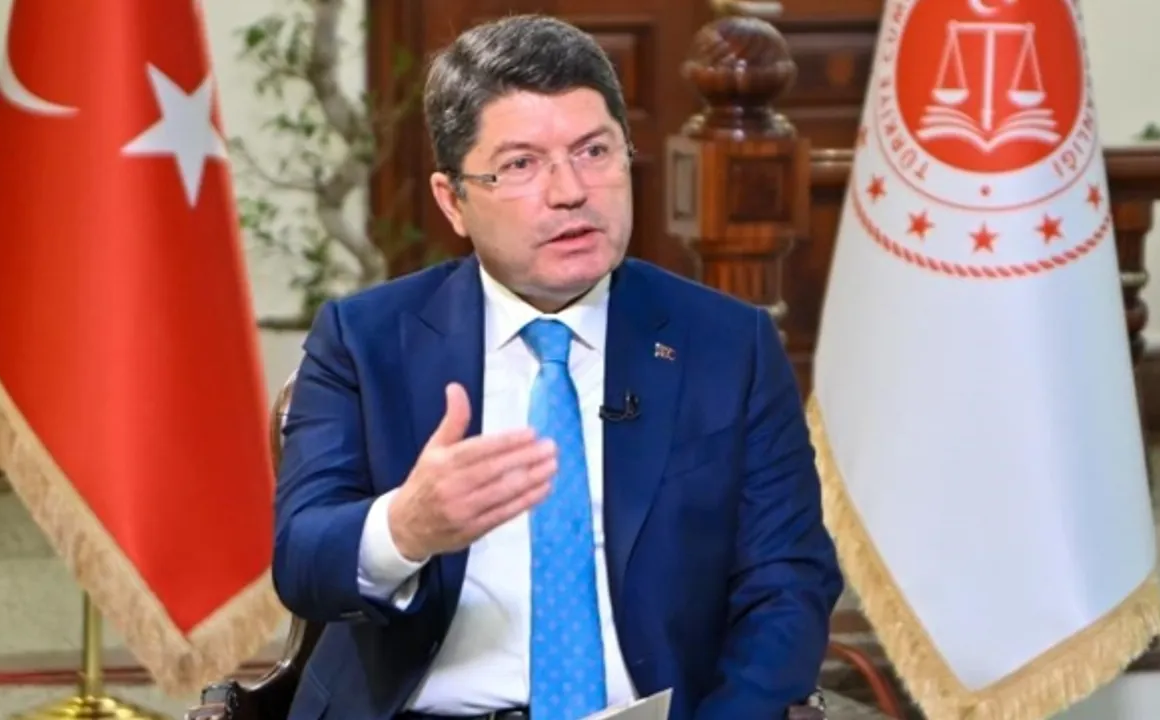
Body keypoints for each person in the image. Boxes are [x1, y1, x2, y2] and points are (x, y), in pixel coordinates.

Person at [272, 13, 843, 720]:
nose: (571, 190)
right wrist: (406, 527)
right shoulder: (364, 340)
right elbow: (302, 562)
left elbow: (788, 586)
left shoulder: (729, 346)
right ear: (454, 200)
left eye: (594, 151)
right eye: (521, 165)